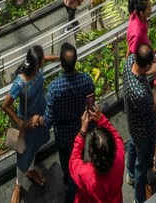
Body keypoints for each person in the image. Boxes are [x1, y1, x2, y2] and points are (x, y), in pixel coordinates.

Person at [29, 42, 96, 203]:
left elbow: (49, 119)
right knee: (78, 157)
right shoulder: (86, 80)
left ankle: (70, 186)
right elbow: (91, 106)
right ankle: (74, 180)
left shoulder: (55, 88)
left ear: (61, 64)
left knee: (66, 160)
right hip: (80, 130)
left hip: (63, 133)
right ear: (75, 61)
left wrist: (38, 120)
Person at [1, 45, 58, 203]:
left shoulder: (36, 68)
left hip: (40, 114)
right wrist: (20, 123)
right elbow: (5, 105)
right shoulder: (20, 83)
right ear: (37, 64)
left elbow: (46, 57)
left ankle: (31, 169)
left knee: (33, 148)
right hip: (27, 124)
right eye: (42, 61)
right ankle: (18, 185)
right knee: (23, 155)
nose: (44, 62)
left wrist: (61, 58)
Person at [123, 45, 156, 203]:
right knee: (142, 166)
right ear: (147, 64)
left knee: (132, 146)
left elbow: (145, 69)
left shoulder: (129, 62)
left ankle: (129, 174)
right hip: (144, 131)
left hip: (132, 123)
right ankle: (138, 197)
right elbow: (154, 106)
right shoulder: (140, 93)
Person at [70, 105, 125, 203]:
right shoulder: (119, 157)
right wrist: (101, 119)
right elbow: (117, 137)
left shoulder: (85, 173)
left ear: (91, 154)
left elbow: (73, 161)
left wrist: (82, 131)